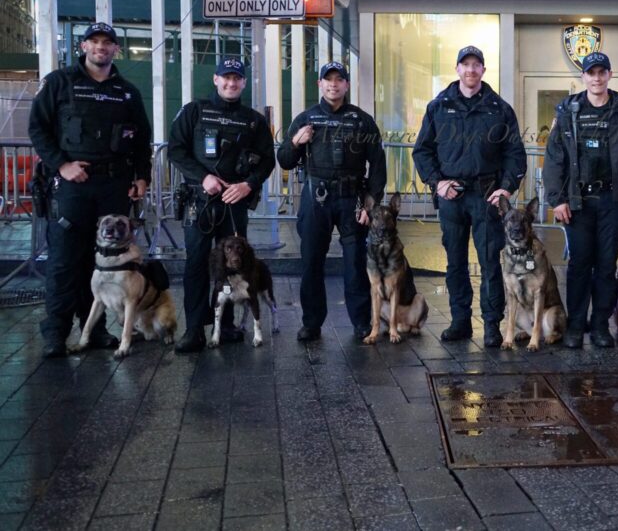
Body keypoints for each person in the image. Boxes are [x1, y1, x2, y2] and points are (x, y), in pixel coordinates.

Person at [28, 21, 153, 358]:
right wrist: (61, 165)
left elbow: (141, 139)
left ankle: (94, 330)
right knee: (65, 261)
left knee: (102, 264)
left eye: (107, 43)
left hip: (113, 187)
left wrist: (143, 176)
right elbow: (37, 129)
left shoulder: (127, 91)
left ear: (116, 49)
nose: (101, 47)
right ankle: (55, 334)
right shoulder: (59, 83)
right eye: (94, 42)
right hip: (72, 187)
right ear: (83, 47)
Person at [412, 46, 526, 347]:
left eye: (477, 65)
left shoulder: (499, 108)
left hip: (487, 195)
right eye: (466, 65)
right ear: (457, 69)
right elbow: (422, 151)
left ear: (484, 71)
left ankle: (491, 326)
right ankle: (460, 321)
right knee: (455, 263)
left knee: (490, 262)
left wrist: (506, 188)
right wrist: (436, 183)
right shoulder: (439, 106)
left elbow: (515, 153)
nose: (471, 70)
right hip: (452, 196)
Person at [543, 52, 618, 348]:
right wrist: (558, 199)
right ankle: (576, 326)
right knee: (579, 265)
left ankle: (600, 325)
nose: (597, 78)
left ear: (610, 75)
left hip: (614, 201)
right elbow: (554, 159)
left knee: (606, 266)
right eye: (591, 73)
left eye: (602, 72)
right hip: (578, 202)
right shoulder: (568, 110)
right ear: (584, 77)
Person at [168, 58, 275, 353]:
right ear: (215, 79)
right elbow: (175, 150)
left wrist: (248, 185)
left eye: (237, 79)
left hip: (234, 203)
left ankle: (225, 325)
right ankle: (194, 329)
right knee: (197, 264)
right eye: (225, 78)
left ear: (243, 83)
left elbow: (268, 160)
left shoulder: (253, 120)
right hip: (199, 202)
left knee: (232, 267)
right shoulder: (195, 111)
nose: (231, 83)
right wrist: (203, 177)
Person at [277, 61, 386, 342]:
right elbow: (284, 160)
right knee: (311, 262)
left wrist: (371, 203)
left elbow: (377, 165)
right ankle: (311, 323)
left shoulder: (362, 120)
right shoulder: (305, 119)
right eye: (328, 80)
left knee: (355, 264)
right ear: (320, 85)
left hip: (353, 201)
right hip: (316, 200)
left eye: (339, 79)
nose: (334, 84)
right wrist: (296, 142)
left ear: (347, 85)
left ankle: (362, 323)